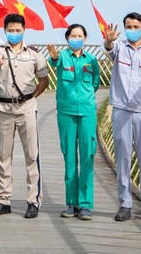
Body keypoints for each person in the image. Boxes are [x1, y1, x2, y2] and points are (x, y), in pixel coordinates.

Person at [0, 13, 50, 218]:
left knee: (31, 154)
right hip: (4, 109)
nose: (14, 33)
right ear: (4, 31)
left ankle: (33, 201)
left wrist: (31, 97)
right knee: (3, 155)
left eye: (18, 30)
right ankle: (3, 200)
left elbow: (44, 80)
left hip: (27, 109)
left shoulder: (34, 54)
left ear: (24, 30)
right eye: (10, 30)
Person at [103, 12, 141, 222]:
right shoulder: (119, 48)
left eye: (135, 26)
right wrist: (109, 40)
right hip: (121, 110)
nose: (132, 29)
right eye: (128, 26)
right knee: (123, 158)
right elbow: (109, 48)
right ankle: (125, 204)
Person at [48, 24, 100, 220]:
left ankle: (85, 204)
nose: (76, 39)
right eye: (73, 35)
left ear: (85, 39)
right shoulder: (62, 56)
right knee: (69, 157)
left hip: (87, 112)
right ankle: (71, 203)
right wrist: (54, 56)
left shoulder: (91, 60)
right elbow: (54, 62)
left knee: (88, 156)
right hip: (66, 112)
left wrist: (85, 97)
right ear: (67, 38)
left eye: (80, 36)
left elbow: (95, 83)